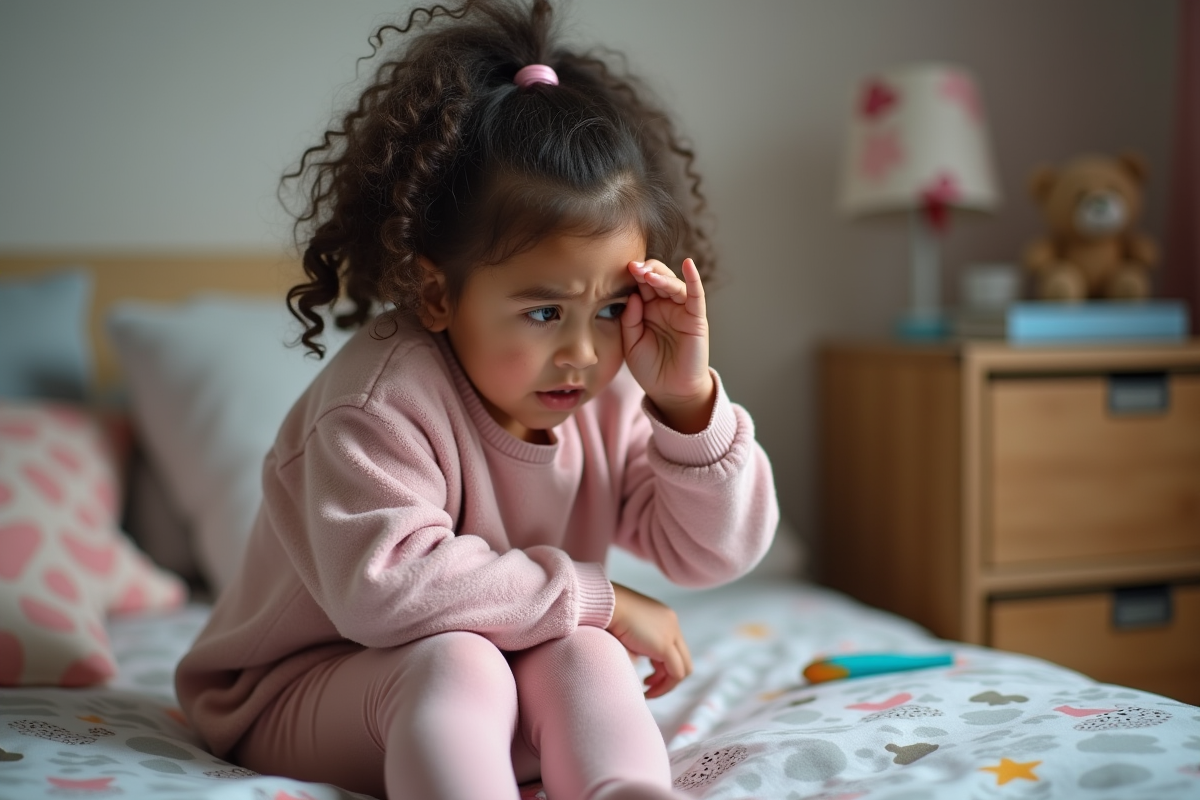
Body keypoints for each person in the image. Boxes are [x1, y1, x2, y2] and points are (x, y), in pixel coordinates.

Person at [175, 1, 778, 798]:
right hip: (304, 690)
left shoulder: (604, 391)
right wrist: (601, 597)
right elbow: (389, 592)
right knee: (461, 658)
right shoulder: (375, 406)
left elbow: (713, 553)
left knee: (587, 649)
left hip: (502, 681)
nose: (582, 352)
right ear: (436, 292)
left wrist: (686, 403)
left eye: (607, 311)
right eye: (542, 312)